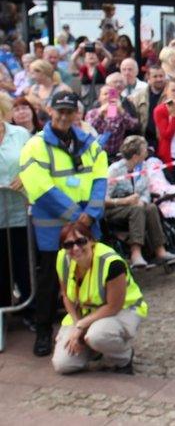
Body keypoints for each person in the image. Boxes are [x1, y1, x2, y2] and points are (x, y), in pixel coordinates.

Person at [19, 91, 108, 358]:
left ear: (77, 113)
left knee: (91, 279)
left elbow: (100, 178)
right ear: (49, 109)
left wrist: (91, 213)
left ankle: (93, 333)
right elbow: (39, 186)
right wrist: (75, 215)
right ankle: (43, 332)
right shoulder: (35, 146)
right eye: (60, 110)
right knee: (49, 281)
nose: (64, 116)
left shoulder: (90, 144)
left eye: (69, 111)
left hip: (86, 225)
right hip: (53, 229)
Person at [51, 220, 148, 375]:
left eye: (81, 242)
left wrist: (81, 326)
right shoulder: (63, 258)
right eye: (68, 245)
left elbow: (113, 306)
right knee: (63, 365)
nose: (75, 248)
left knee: (97, 336)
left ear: (91, 241)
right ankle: (93, 349)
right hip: (84, 314)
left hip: (121, 310)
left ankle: (123, 358)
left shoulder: (111, 262)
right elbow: (66, 297)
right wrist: (77, 326)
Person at [106, 135, 175, 268]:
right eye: (144, 150)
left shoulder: (142, 169)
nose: (147, 152)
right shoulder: (114, 170)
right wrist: (124, 201)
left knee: (151, 207)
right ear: (136, 155)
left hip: (135, 207)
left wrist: (142, 200)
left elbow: (146, 191)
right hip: (114, 209)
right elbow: (104, 198)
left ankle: (161, 250)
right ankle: (135, 253)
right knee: (137, 209)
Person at [0, 94, 32, 315]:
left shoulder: (20, 134)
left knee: (23, 261)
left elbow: (35, 162)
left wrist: (25, 175)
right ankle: (4, 313)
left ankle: (30, 312)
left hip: (20, 209)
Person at [86, 85, 139, 157]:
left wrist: (121, 111)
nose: (108, 97)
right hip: (96, 154)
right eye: (105, 94)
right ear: (99, 98)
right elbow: (89, 128)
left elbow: (133, 126)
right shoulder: (92, 113)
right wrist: (100, 114)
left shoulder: (119, 113)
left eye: (111, 94)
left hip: (115, 155)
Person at [130, 65, 168, 152]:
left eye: (161, 76)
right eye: (155, 76)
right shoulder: (139, 96)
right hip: (144, 139)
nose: (159, 79)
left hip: (163, 140)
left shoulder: (171, 94)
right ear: (149, 78)